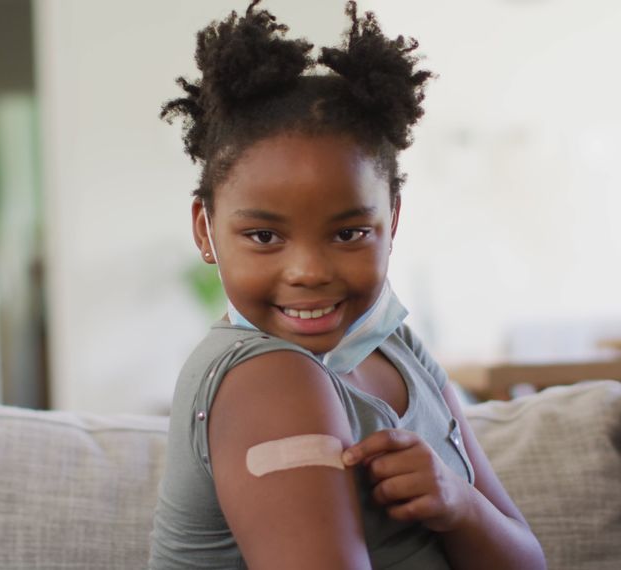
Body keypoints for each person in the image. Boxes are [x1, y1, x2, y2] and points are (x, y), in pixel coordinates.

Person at [148, 2, 546, 568]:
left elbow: (528, 562)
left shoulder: (395, 347)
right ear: (205, 231)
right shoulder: (269, 377)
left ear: (394, 222)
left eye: (350, 232)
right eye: (264, 236)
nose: (308, 270)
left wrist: (458, 503)